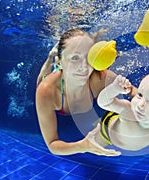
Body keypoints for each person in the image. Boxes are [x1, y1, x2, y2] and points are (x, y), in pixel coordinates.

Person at [36, 28, 135, 156]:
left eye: (88, 57)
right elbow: (52, 145)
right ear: (60, 62)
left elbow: (133, 91)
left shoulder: (99, 77)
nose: (85, 66)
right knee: (41, 80)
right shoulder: (47, 92)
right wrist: (83, 146)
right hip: (54, 80)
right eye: (75, 58)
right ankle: (50, 57)